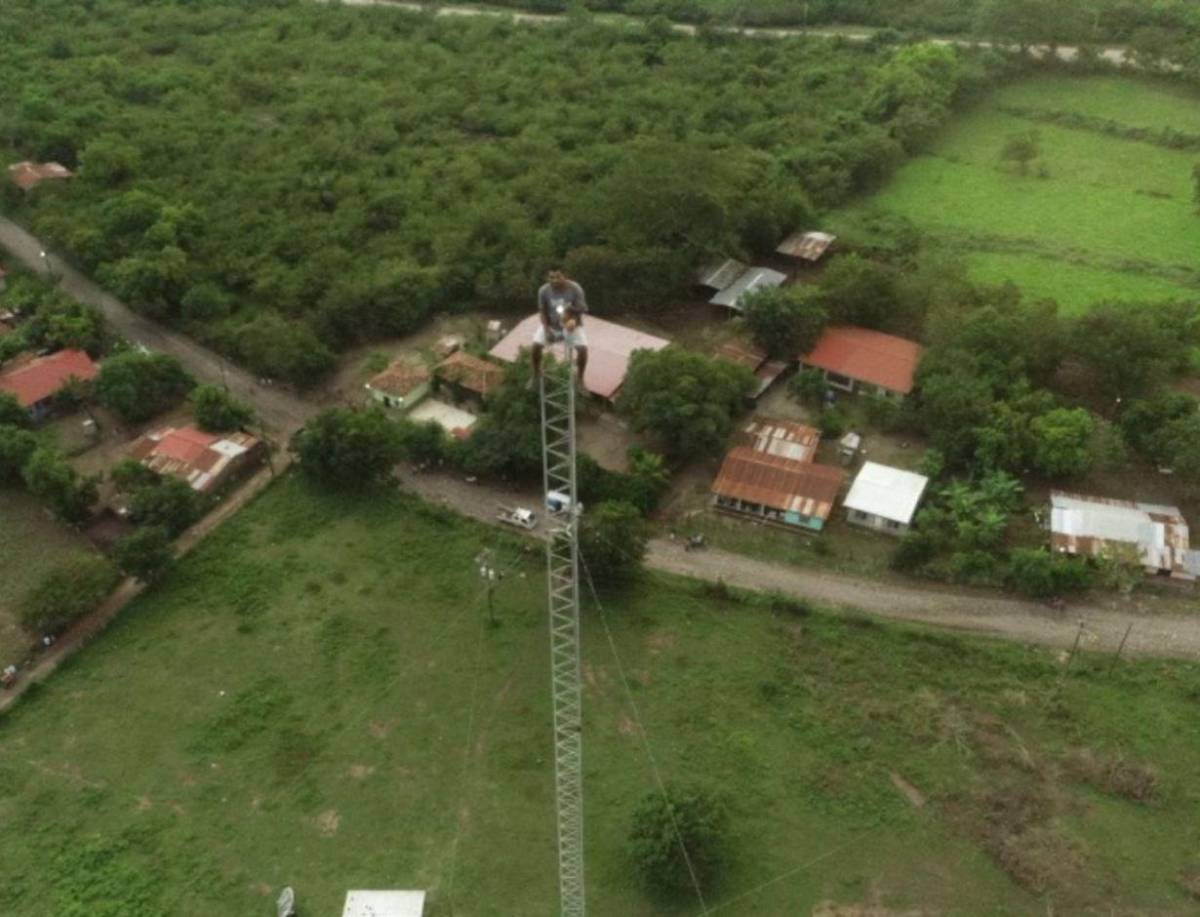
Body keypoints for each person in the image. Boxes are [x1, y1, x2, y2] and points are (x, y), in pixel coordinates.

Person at [530, 269, 588, 393]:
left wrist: (571, 311)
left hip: (571, 323)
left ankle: (580, 379)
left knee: (583, 349)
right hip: (552, 324)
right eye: (551, 278)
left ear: (565, 276)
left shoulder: (575, 288)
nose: (554, 280)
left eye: (558, 277)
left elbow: (583, 308)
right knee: (535, 346)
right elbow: (542, 312)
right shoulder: (543, 290)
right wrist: (546, 330)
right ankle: (536, 374)